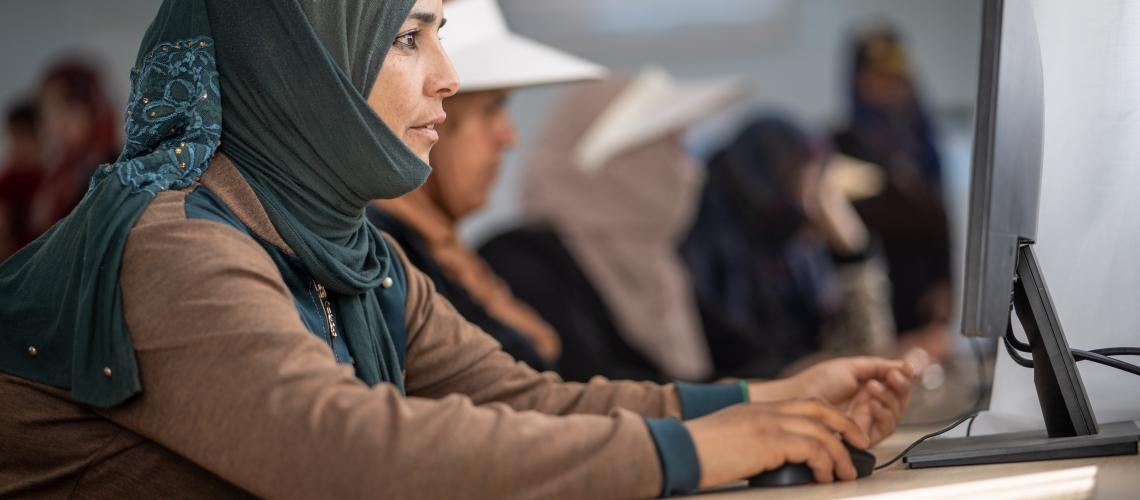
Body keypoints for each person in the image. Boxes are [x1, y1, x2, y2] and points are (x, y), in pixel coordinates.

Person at [0, 1, 913, 497]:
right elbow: (343, 457)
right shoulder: (177, 247)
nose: (449, 75)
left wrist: (766, 401)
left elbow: (532, 402)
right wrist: (695, 451)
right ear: (301, 71)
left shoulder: (354, 254)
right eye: (408, 37)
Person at [367, 0, 605, 370]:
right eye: (491, 109)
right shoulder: (385, 255)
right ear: (436, 116)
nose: (509, 137)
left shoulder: (444, 255)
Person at [480, 69, 748, 383]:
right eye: (668, 148)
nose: (690, 171)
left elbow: (746, 354)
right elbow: (590, 392)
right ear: (614, 162)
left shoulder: (659, 266)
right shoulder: (523, 262)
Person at [682, 116, 897, 379]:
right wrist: (793, 375)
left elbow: (869, 346)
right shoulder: (709, 259)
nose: (816, 201)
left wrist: (854, 251)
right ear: (764, 182)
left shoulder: (796, 257)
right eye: (805, 181)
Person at [832, 25, 954, 361]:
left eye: (896, 77)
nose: (891, 88)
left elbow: (939, 211)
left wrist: (946, 281)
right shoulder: (842, 145)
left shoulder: (920, 142)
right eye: (878, 77)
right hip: (872, 288)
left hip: (921, 287)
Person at [27, 61, 119, 238]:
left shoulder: (115, 169)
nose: (51, 121)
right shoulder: (60, 172)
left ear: (90, 108)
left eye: (60, 107)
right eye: (47, 109)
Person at [0, 100, 45, 259]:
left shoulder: (54, 179)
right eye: (13, 139)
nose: (16, 146)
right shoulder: (7, 182)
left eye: (23, 138)